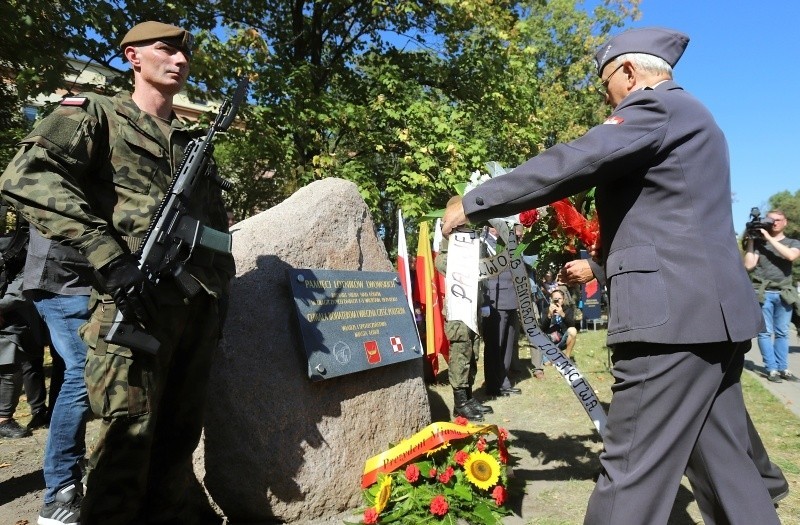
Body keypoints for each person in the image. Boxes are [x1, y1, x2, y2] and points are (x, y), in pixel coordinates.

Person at [442, 27, 779, 525]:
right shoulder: (697, 118)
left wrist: (475, 202)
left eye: (607, 86)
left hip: (671, 323)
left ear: (628, 72)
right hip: (711, 317)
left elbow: (576, 159)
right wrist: (601, 265)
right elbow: (670, 222)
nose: (608, 99)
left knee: (631, 473)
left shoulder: (658, 107)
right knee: (726, 469)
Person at [1, 20, 235, 525]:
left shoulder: (191, 142)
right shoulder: (97, 114)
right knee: (126, 449)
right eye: (164, 49)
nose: (179, 59)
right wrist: (106, 254)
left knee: (177, 445)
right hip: (132, 304)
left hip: (191, 311)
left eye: (183, 53)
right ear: (133, 57)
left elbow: (216, 237)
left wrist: (217, 306)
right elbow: (26, 177)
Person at [24, 227, 95, 524]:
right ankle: (59, 495)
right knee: (81, 373)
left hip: (74, 277)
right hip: (64, 280)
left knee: (81, 373)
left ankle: (70, 480)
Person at [434, 234, 492, 421]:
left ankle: (467, 397)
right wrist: (464, 264)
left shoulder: (475, 236)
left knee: (472, 351)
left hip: (473, 305)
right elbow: (441, 263)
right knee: (460, 351)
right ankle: (459, 404)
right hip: (459, 306)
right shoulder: (451, 238)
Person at [743, 209, 800, 382]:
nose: (774, 222)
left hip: (784, 293)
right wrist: (752, 240)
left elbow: (790, 256)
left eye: (778, 219)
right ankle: (772, 369)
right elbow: (749, 265)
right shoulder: (759, 243)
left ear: (785, 222)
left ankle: (783, 368)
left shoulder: (792, 242)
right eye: (770, 219)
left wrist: (768, 238)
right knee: (765, 333)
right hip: (762, 293)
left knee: (783, 332)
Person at [481, 226, 521, 398]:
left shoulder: (509, 241)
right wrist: (483, 301)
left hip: (512, 298)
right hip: (494, 301)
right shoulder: (482, 242)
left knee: (507, 344)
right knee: (494, 345)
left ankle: (503, 382)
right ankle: (492, 384)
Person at [541, 288, 578, 359]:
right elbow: (543, 329)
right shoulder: (545, 310)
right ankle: (553, 354)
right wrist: (549, 315)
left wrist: (562, 314)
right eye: (555, 298)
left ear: (563, 300)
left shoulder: (568, 310)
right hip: (549, 342)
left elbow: (572, 326)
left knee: (572, 330)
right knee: (548, 364)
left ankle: (567, 358)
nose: (557, 300)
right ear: (551, 299)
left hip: (562, 339)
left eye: (560, 298)